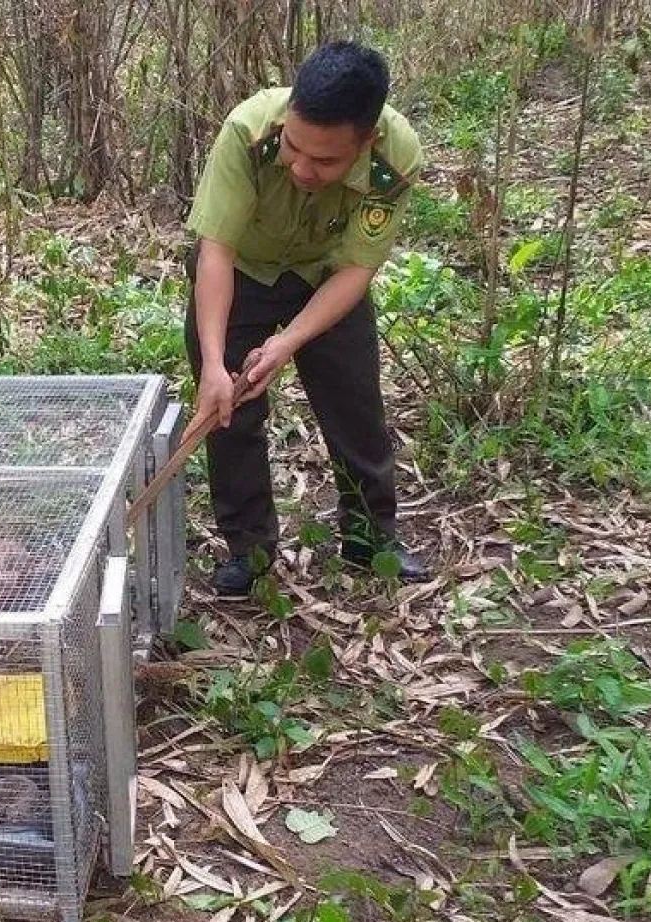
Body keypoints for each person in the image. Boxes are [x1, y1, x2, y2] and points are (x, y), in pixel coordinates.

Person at [184, 40, 428, 598]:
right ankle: (250, 550)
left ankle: (370, 541)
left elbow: (356, 269)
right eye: (294, 148)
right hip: (241, 270)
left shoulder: (396, 159)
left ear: (365, 141)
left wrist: (289, 341)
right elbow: (215, 252)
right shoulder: (247, 132)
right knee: (228, 411)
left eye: (325, 161)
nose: (301, 167)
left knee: (354, 403)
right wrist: (216, 365)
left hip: (325, 276)